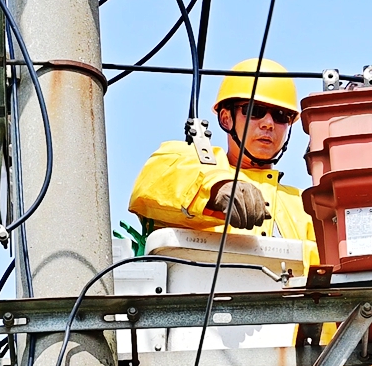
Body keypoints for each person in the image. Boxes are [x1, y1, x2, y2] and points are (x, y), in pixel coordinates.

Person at [129, 58, 314, 242]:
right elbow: (154, 184)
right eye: (254, 110)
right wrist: (216, 188)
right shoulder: (197, 163)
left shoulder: (305, 206)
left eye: (281, 115)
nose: (268, 124)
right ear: (226, 118)